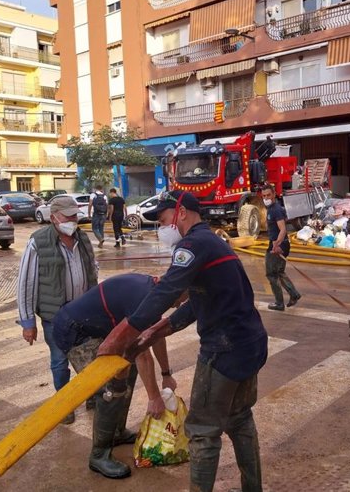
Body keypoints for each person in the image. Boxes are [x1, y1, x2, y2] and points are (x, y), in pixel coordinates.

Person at [98, 190, 268, 492]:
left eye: (163, 221)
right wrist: (160, 329)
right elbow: (199, 301)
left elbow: (163, 293)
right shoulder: (214, 242)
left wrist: (118, 338)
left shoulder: (192, 245)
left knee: (202, 433)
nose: (162, 229)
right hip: (250, 344)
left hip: (224, 350)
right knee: (240, 419)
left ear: (182, 213)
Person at [52, 273, 182, 479]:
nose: (180, 304)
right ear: (177, 291)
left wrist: (166, 373)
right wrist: (154, 397)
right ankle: (99, 454)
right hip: (75, 330)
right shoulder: (145, 297)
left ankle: (117, 432)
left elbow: (154, 335)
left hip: (98, 328)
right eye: (184, 298)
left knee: (127, 368)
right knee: (109, 387)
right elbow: (143, 354)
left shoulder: (157, 291)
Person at [17, 195, 97, 424]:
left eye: (75, 215)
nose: (73, 219)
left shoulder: (82, 239)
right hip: (56, 316)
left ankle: (92, 396)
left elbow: (92, 270)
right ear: (53, 218)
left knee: (90, 357)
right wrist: (27, 322)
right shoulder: (38, 242)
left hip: (84, 312)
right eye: (68, 216)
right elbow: (26, 283)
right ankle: (65, 404)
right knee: (60, 360)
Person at [261, 184, 301, 311]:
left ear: (273, 194)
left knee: (271, 274)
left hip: (278, 244)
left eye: (268, 195)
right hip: (278, 243)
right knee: (279, 272)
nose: (266, 198)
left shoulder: (275, 209)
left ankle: (279, 303)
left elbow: (283, 229)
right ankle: (294, 294)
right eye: (264, 196)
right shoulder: (271, 208)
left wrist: (277, 244)